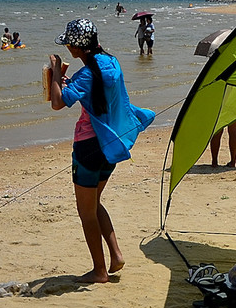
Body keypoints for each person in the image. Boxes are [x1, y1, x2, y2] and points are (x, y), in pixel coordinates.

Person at [46, 19, 155, 284]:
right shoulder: (111, 63)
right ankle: (115, 256)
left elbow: (57, 103)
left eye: (69, 44)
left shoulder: (87, 74)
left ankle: (99, 271)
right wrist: (70, 82)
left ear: (76, 47)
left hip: (89, 145)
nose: (68, 47)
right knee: (94, 204)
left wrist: (56, 73)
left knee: (86, 213)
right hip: (111, 144)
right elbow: (101, 92)